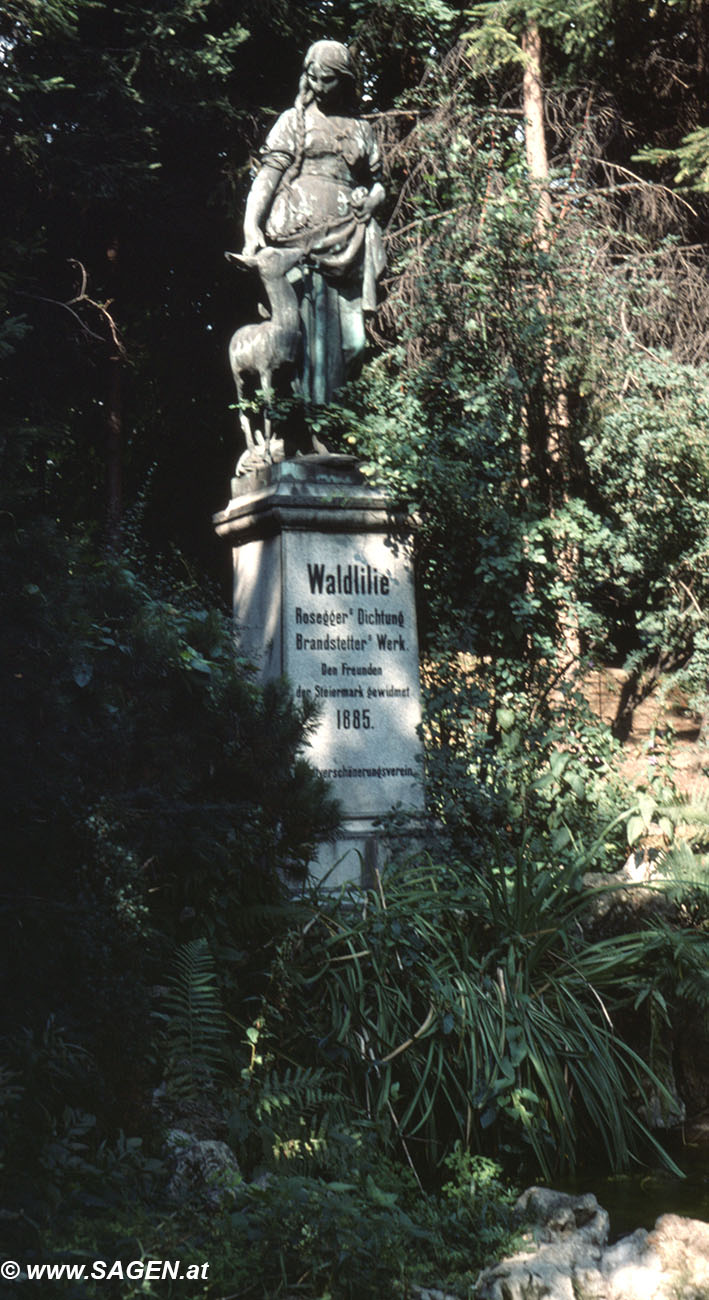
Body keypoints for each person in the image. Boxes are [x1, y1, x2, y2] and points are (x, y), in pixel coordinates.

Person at [241, 39, 386, 406]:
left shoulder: (361, 129)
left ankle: (331, 419)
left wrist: (372, 201)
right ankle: (307, 431)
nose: (319, 86)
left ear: (346, 81)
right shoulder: (295, 121)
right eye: (314, 78)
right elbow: (269, 176)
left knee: (353, 343)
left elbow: (380, 184)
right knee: (305, 338)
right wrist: (251, 224)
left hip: (349, 238)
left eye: (328, 80)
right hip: (300, 239)